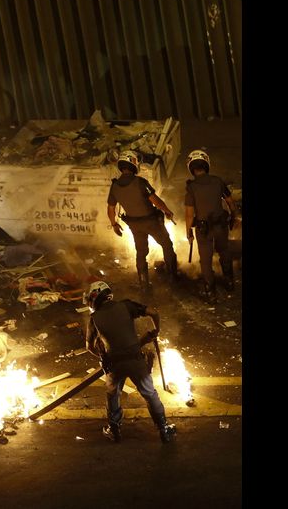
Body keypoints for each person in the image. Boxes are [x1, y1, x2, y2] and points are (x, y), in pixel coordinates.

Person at [84, 281, 176, 443]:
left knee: (113, 395)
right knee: (149, 393)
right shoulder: (126, 306)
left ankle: (114, 430)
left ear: (95, 298)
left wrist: (102, 357)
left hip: (114, 364)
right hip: (135, 359)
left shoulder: (94, 319)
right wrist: (156, 331)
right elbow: (153, 313)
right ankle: (164, 429)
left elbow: (89, 347)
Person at [106, 150, 178, 291]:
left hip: (134, 225)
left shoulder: (114, 186)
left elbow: (110, 208)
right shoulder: (140, 182)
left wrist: (114, 224)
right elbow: (155, 200)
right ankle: (173, 277)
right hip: (151, 222)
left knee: (141, 252)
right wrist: (167, 211)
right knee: (166, 245)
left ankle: (143, 283)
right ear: (133, 163)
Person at [183, 149, 237, 302]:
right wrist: (234, 216)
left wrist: (189, 232)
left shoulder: (191, 188)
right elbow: (230, 202)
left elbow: (188, 214)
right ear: (206, 164)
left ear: (191, 167)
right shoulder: (218, 181)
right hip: (220, 226)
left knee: (205, 260)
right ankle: (229, 282)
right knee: (224, 252)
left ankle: (210, 292)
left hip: (203, 230)